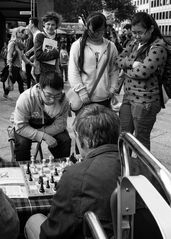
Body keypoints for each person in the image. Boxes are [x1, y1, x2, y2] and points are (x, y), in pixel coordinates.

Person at [24, 104, 121, 239]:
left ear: (86, 141)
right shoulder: (143, 168)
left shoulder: (76, 175)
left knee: (33, 220)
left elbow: (51, 233)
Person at [116, 12, 168, 150]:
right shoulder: (133, 43)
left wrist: (125, 71)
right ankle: (125, 167)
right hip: (128, 97)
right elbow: (118, 59)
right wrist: (132, 64)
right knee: (123, 135)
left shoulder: (158, 47)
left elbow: (144, 72)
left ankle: (143, 170)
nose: (137, 36)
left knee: (141, 142)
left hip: (146, 101)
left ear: (151, 29)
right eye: (134, 32)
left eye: (140, 32)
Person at [13, 71, 71, 161]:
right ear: (40, 88)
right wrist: (43, 136)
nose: (52, 100)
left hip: (49, 125)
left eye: (57, 95)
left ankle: (62, 167)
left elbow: (60, 125)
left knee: (65, 140)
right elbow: (20, 127)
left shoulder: (63, 100)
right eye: (49, 95)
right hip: (26, 125)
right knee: (22, 143)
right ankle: (23, 169)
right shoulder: (26, 98)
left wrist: (41, 133)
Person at [68, 12, 119, 112]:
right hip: (84, 99)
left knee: (103, 126)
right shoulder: (77, 45)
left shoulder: (111, 46)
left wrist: (113, 88)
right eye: (93, 31)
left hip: (104, 98)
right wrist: (81, 91)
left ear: (105, 28)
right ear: (87, 28)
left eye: (100, 31)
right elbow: (73, 71)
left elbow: (114, 70)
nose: (96, 34)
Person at [2, 26, 34, 99]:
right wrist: (9, 66)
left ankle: (22, 96)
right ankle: (6, 93)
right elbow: (9, 55)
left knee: (20, 82)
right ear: (16, 33)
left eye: (22, 32)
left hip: (18, 67)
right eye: (20, 32)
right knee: (12, 81)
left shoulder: (20, 44)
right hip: (13, 67)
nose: (22, 34)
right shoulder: (12, 43)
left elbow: (22, 56)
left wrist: (30, 63)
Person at [34, 11, 62, 82]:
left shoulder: (57, 37)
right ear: (44, 24)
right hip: (42, 72)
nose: (50, 27)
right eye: (48, 24)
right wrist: (54, 53)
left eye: (53, 25)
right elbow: (38, 55)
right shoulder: (40, 36)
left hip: (55, 71)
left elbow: (58, 57)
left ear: (56, 26)